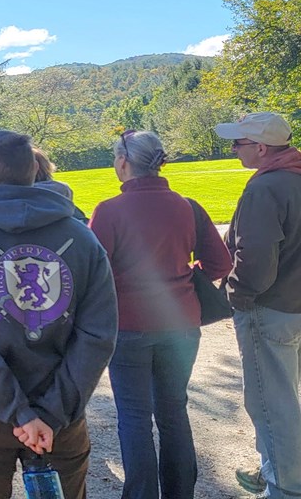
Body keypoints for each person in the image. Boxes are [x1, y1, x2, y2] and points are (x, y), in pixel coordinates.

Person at [0, 129, 118, 499]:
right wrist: (48, 414)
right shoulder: (82, 239)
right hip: (60, 417)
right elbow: (98, 336)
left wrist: (21, 412)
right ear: (35, 170)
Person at [89, 130, 231, 499]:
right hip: (181, 322)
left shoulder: (108, 211)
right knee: (173, 412)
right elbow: (220, 262)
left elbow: (94, 272)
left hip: (129, 325)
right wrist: (185, 279)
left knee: (134, 418)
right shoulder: (188, 206)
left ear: (123, 162)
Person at [214, 112, 301, 499]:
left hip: (270, 308)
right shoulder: (295, 177)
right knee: (285, 394)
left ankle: (284, 486)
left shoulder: (265, 189)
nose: (233, 149)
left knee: (270, 400)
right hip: (293, 305)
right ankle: (276, 467)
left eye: (239, 143)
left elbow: (256, 258)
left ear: (262, 148)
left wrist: (237, 293)